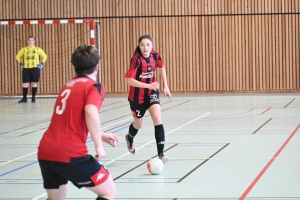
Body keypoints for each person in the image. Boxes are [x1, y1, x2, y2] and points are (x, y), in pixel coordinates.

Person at [37, 44, 119, 200]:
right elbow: (90, 111)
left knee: (56, 198)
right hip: (69, 153)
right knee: (108, 192)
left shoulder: (68, 85)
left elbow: (68, 124)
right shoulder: (94, 86)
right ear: (97, 67)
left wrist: (99, 135)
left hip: (46, 151)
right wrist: (98, 146)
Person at [124, 34, 172, 164]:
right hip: (136, 97)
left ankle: (161, 154)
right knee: (138, 124)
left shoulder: (155, 56)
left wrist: (166, 86)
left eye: (148, 45)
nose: (145, 47)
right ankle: (130, 138)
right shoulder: (136, 59)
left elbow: (161, 68)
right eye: (142, 45)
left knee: (157, 118)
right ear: (139, 46)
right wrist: (148, 85)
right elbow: (129, 80)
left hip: (152, 93)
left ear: (152, 46)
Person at [16, 36, 47, 103]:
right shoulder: (24, 49)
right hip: (26, 68)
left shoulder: (37, 49)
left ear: (34, 41)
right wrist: (20, 62)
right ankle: (24, 98)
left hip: (35, 68)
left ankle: (33, 97)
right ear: (28, 42)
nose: (30, 42)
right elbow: (18, 56)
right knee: (25, 84)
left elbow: (44, 56)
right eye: (29, 40)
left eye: (32, 40)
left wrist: (42, 63)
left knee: (34, 83)